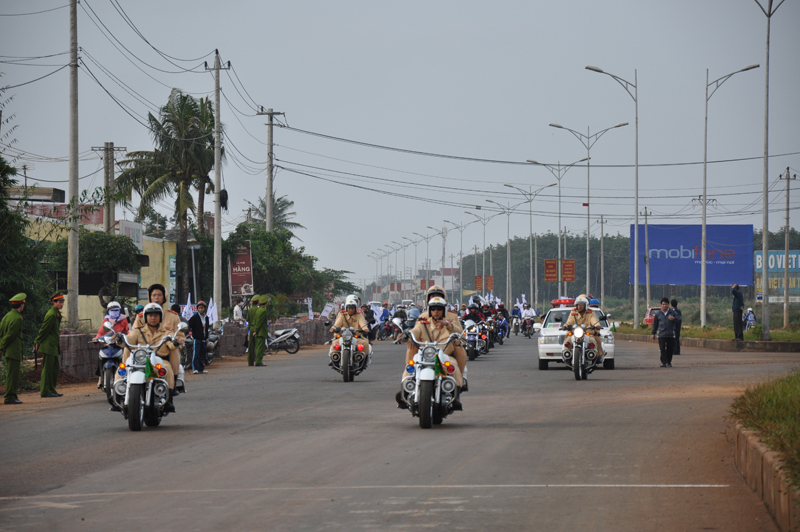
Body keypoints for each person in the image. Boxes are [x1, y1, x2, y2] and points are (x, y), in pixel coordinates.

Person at [398, 296, 463, 410]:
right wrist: (407, 333)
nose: (436, 312)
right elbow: (415, 330)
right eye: (433, 309)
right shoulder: (423, 323)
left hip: (445, 355)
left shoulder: (449, 324)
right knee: (410, 366)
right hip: (424, 355)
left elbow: (459, 332)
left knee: (454, 365)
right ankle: (405, 390)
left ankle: (456, 395)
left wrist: (447, 325)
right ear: (429, 310)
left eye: (439, 309)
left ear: (444, 310)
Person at [121, 303, 176, 412]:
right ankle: (119, 392)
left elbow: (172, 343)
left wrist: (175, 342)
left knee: (167, 369)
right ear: (145, 317)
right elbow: (129, 339)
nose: (153, 318)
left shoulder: (167, 331)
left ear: (160, 317)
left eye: (156, 315)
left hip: (159, 359)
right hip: (140, 360)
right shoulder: (138, 331)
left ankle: (169, 398)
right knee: (122, 369)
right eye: (150, 315)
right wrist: (120, 339)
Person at [132, 284, 185, 378]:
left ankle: (174, 377)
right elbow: (133, 335)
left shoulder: (173, 316)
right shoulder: (140, 317)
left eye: (159, 295)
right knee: (126, 348)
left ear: (164, 297)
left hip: (164, 352)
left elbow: (180, 336)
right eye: (154, 295)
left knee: (174, 349)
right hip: (143, 353)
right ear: (149, 297)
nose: (156, 298)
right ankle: (123, 377)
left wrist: (177, 341)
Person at [34, 292, 66, 398]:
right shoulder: (51, 314)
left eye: (62, 302)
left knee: (54, 368)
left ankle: (51, 389)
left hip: (53, 345)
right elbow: (44, 329)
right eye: (60, 302)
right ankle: (45, 391)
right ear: (54, 302)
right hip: (48, 346)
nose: (62, 304)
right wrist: (37, 341)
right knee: (47, 369)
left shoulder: (56, 313)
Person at [94, 301, 129, 388]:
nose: (114, 312)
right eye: (112, 310)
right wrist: (96, 338)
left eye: (116, 310)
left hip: (121, 345)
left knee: (127, 359)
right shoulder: (106, 320)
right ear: (108, 311)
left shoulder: (124, 319)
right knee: (100, 357)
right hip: (108, 344)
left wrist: (128, 337)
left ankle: (126, 377)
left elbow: (128, 331)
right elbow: (101, 332)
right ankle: (100, 377)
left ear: (119, 310)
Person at [0, 293, 27, 404]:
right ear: (21, 305)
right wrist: (1, 346)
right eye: (23, 304)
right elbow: (10, 335)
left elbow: (2, 332)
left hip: (8, 350)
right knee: (13, 375)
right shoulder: (17, 318)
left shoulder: (7, 316)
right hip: (13, 350)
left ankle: (11, 395)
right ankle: (10, 397)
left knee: (11, 374)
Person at [562, 294, 604, 360]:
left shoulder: (591, 312)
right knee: (567, 341)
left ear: (586, 305)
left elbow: (594, 320)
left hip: (588, 334)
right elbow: (569, 321)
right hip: (574, 334)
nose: (579, 306)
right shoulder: (573, 312)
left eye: (581, 305)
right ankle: (568, 355)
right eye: (578, 305)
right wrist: (565, 326)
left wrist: (596, 325)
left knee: (594, 341)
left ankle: (597, 356)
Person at [651, 297, 679, 368]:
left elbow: (679, 319)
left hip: (670, 334)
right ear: (661, 305)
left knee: (670, 349)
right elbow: (655, 324)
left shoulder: (673, 312)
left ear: (668, 305)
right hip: (661, 334)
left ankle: (669, 362)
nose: (664, 306)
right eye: (663, 304)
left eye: (666, 304)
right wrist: (653, 333)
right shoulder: (658, 314)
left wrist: (674, 319)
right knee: (662, 349)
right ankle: (664, 362)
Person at [188, 301, 210, 374]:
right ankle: (195, 368)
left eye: (202, 308)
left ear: (204, 309)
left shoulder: (206, 318)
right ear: (197, 309)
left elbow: (206, 328)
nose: (201, 309)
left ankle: (201, 368)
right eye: (199, 308)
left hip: (204, 339)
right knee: (196, 354)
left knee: (203, 354)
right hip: (197, 339)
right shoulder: (195, 318)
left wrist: (207, 336)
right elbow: (189, 325)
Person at [246, 295, 261, 366]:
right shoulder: (259, 310)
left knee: (251, 346)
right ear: (258, 302)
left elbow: (247, 319)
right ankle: (258, 361)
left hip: (251, 329)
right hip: (257, 329)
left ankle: (250, 362)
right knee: (258, 345)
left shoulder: (250, 310)